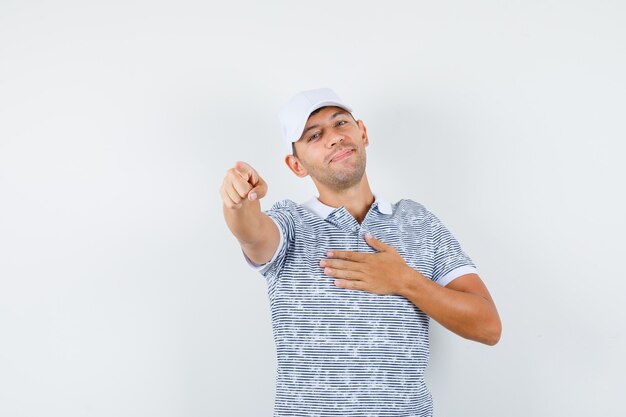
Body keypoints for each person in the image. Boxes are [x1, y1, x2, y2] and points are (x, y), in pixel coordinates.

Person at [220, 88, 501, 416]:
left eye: (341, 122)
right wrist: (240, 202)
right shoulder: (290, 224)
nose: (334, 138)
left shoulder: (417, 221)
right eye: (314, 135)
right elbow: (251, 233)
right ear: (296, 165)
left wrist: (405, 280)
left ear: (362, 132)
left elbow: (488, 326)